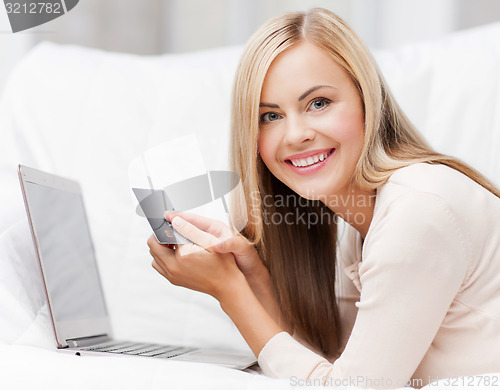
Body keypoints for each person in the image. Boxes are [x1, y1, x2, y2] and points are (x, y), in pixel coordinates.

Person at [147, 8, 500, 389]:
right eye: (269, 116)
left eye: (318, 103)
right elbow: (332, 370)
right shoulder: (362, 226)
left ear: (367, 99)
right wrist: (253, 277)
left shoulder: (417, 212)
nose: (296, 134)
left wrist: (229, 292)